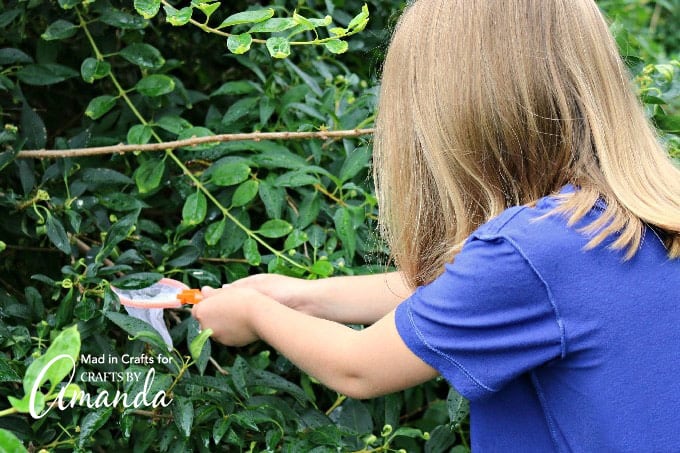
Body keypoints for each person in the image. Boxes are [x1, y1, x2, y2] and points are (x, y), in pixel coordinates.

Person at [192, 0, 680, 450]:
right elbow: (467, 296)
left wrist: (255, 313)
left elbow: (356, 367)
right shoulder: (627, 219)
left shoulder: (531, 250)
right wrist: (299, 296)